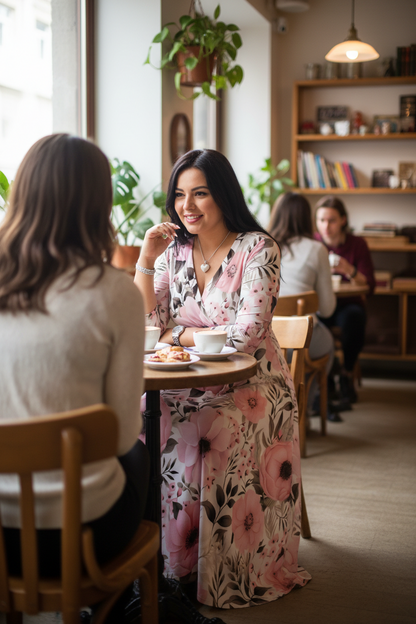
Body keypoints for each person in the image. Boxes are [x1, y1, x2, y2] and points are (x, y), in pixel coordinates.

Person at [134, 149, 310, 610]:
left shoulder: (258, 248)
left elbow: (247, 336)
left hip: (252, 384)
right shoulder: (173, 253)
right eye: (179, 195)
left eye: (200, 193)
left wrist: (179, 331)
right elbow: (150, 324)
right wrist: (146, 259)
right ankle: (163, 565)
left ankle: (210, 571)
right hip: (186, 378)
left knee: (204, 428)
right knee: (139, 416)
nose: (187, 206)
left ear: (223, 195)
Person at [0, 134, 149, 619]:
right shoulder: (115, 294)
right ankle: (130, 602)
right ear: (98, 205)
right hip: (79, 533)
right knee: (139, 457)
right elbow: (123, 433)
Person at [268, 192, 339, 420]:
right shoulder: (316, 249)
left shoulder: (261, 244)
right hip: (299, 341)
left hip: (264, 340)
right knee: (328, 346)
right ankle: (304, 407)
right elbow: (327, 309)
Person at [314, 195, 375, 404]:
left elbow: (370, 285)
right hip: (321, 304)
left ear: (343, 220)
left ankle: (347, 373)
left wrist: (348, 269)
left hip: (348, 304)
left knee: (354, 319)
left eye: (331, 220)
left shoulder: (357, 244)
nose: (326, 226)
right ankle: (327, 376)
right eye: (321, 220)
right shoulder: (313, 244)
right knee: (313, 322)